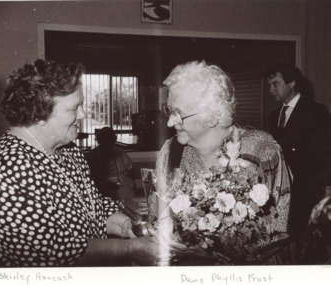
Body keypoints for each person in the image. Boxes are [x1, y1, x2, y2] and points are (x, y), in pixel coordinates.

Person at [0, 59, 160, 267]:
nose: (83, 114)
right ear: (39, 113)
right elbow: (55, 253)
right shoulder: (3, 171)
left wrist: (127, 225)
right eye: (74, 108)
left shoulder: (68, 151)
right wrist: (132, 248)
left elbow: (95, 208)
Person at [156, 60, 291, 265]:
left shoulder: (261, 150)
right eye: (169, 111)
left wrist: (211, 253)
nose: (170, 122)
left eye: (178, 114)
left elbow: (277, 230)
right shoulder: (170, 152)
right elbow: (160, 216)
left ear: (212, 117)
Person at [265, 62, 331, 244]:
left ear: (292, 83)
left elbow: (325, 154)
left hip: (307, 191)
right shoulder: (274, 115)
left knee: (305, 241)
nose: (271, 89)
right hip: (281, 190)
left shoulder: (316, 111)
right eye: (269, 84)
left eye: (276, 84)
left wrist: (326, 188)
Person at [86, 127, 136, 201]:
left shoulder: (119, 152)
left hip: (120, 190)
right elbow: (131, 170)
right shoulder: (93, 155)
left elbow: (131, 170)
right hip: (107, 190)